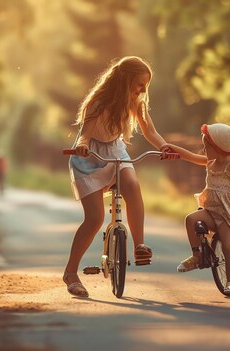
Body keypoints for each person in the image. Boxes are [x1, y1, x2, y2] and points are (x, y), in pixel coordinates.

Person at [63, 56, 173, 298]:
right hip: (89, 156)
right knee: (94, 219)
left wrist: (164, 146)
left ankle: (139, 246)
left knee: (132, 185)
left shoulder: (136, 101)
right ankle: (70, 273)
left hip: (115, 150)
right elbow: (85, 133)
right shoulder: (98, 101)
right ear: (125, 80)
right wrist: (81, 145)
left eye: (146, 86)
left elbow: (149, 130)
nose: (143, 90)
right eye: (140, 84)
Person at [165, 123, 230, 295]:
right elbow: (190, 156)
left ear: (217, 148)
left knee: (228, 247)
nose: (203, 148)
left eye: (206, 145)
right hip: (210, 210)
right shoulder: (210, 161)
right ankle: (197, 255)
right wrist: (171, 147)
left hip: (227, 215)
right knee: (190, 219)